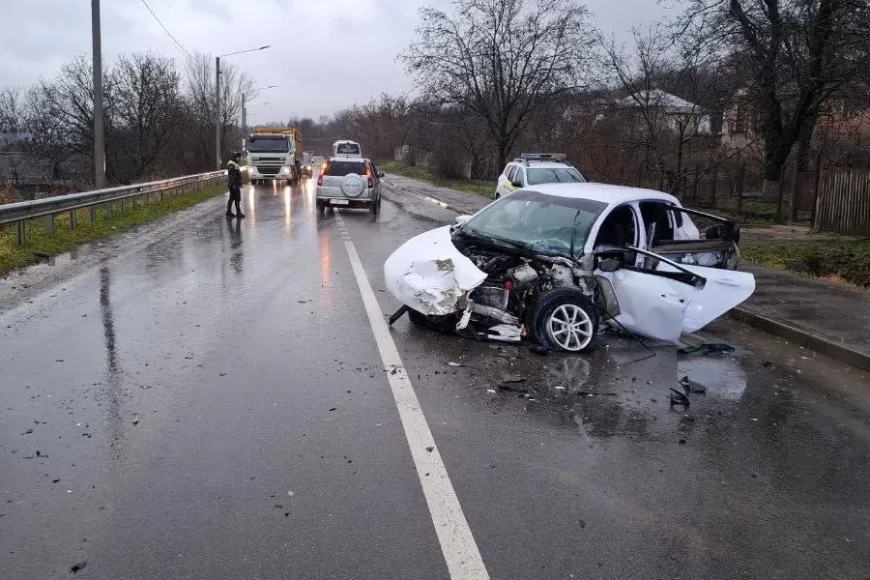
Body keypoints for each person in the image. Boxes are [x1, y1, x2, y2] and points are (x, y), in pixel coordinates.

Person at [226, 152, 245, 218]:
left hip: (235, 184)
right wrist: (234, 184)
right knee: (236, 198)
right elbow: (232, 176)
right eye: (237, 157)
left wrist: (240, 183)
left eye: (239, 157)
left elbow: (237, 175)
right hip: (233, 185)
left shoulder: (235, 163)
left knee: (233, 198)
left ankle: (229, 212)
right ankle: (237, 212)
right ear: (235, 157)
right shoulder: (231, 164)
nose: (239, 158)